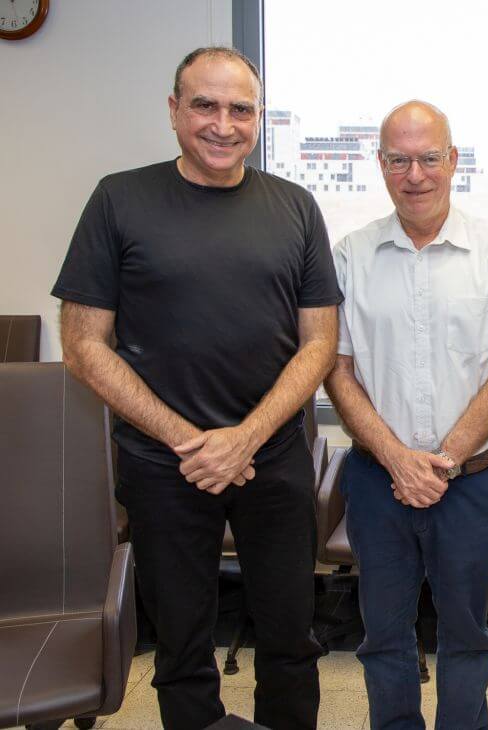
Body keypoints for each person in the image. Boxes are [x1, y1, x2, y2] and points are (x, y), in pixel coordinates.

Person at [52, 47, 341, 730]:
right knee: (181, 645)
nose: (223, 123)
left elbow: (320, 343)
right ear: (175, 109)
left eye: (241, 109)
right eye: (205, 105)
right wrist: (192, 442)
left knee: (290, 639)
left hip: (271, 462)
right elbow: (83, 345)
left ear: (260, 118)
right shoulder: (119, 199)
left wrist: (243, 439)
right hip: (162, 466)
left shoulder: (295, 207)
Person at [326, 100, 488, 730]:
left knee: (468, 634)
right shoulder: (351, 256)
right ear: (381, 165)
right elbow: (337, 371)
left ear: (453, 161)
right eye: (399, 160)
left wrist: (443, 460)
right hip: (377, 482)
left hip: (474, 481)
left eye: (429, 158)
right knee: (383, 636)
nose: (415, 174)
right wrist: (400, 461)